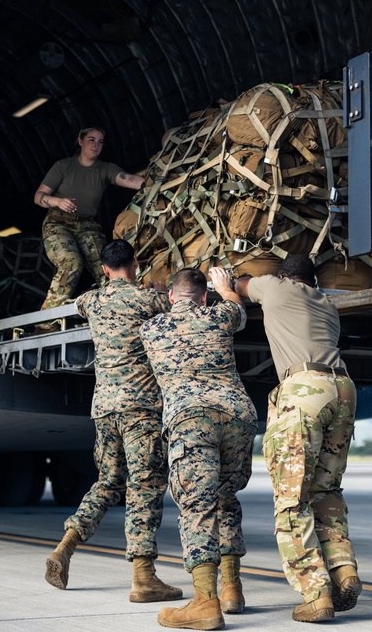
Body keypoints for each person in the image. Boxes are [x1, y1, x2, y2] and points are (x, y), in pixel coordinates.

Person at [44, 239, 183, 605]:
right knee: (144, 487)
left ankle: (65, 547)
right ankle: (144, 578)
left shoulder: (92, 301)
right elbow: (175, 303)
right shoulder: (149, 301)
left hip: (104, 408)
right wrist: (155, 288)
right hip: (141, 409)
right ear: (135, 263)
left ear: (105, 270)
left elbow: (79, 302)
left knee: (107, 482)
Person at [234, 254, 362, 623]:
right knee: (326, 491)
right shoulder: (327, 304)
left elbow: (242, 286)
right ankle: (343, 571)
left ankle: (316, 593)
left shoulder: (274, 286)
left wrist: (230, 281)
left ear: (284, 275)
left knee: (291, 501)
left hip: (305, 391)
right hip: (343, 389)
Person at [140, 267, 257, 631]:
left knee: (197, 506)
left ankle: (205, 603)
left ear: (172, 297)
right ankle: (232, 590)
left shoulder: (151, 328)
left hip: (191, 420)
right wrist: (225, 287)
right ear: (204, 296)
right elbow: (238, 308)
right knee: (226, 499)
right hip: (237, 416)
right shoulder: (221, 314)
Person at [33, 126, 146, 309]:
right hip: (58, 222)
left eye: (100, 142)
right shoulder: (64, 166)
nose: (96, 145)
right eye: (91, 140)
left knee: (108, 267)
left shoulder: (105, 169)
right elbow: (38, 196)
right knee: (71, 263)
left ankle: (114, 310)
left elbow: (130, 179)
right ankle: (47, 321)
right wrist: (57, 201)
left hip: (87, 225)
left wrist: (155, 183)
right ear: (81, 141)